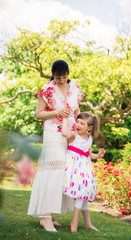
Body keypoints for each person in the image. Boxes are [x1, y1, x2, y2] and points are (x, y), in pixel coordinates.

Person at [27, 60, 84, 232]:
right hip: (53, 133)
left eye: (64, 77)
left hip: (70, 134)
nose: (61, 80)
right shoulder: (46, 89)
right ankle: (45, 217)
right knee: (53, 171)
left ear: (68, 74)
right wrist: (57, 112)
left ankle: (50, 215)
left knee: (63, 172)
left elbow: (77, 111)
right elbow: (39, 114)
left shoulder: (75, 87)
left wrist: (83, 129)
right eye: (58, 77)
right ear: (53, 75)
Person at [62, 112, 105, 232]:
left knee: (84, 194)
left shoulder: (89, 139)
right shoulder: (74, 135)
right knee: (82, 193)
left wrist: (99, 155)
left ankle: (88, 224)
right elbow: (64, 133)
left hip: (85, 169)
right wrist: (65, 118)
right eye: (78, 122)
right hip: (74, 169)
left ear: (89, 128)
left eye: (82, 123)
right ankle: (74, 221)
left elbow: (89, 154)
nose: (78, 125)